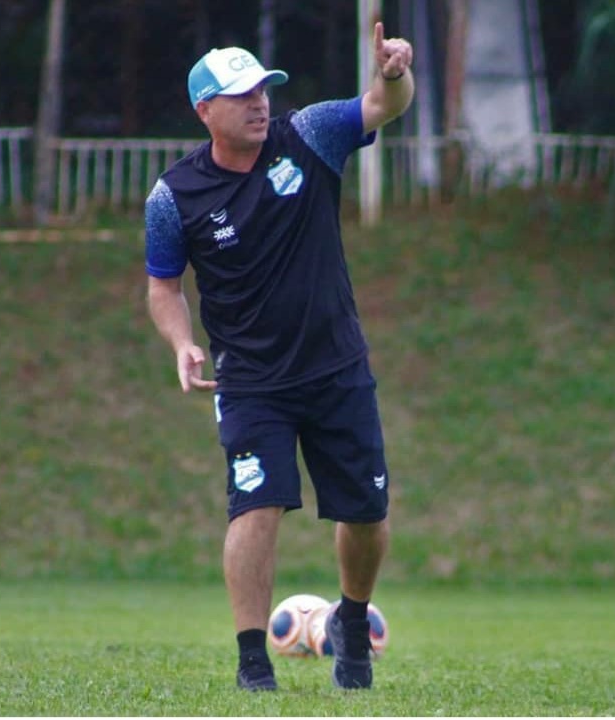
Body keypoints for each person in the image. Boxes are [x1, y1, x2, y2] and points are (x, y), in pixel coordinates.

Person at [144, 22, 414, 692]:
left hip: (336, 367)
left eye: (263, 90)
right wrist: (182, 342)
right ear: (205, 110)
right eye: (241, 95)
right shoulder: (174, 196)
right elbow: (163, 286)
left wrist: (394, 73)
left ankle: (351, 623)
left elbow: (382, 106)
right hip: (250, 381)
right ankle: (252, 661)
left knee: (366, 513)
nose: (259, 103)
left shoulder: (310, 135)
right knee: (255, 506)